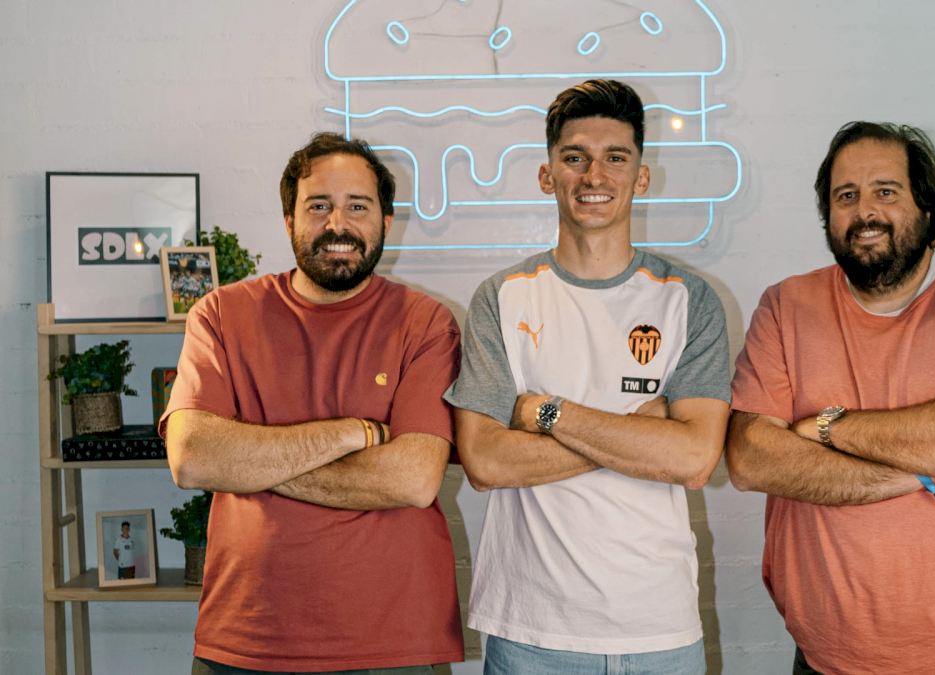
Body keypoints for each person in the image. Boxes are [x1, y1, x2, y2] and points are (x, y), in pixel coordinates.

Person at [726, 121, 935, 674]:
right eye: (846, 196)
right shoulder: (786, 306)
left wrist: (826, 428)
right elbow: (750, 459)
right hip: (830, 659)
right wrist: (922, 469)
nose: (865, 212)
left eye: (886, 191)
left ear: (927, 208)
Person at [444, 79, 731, 674]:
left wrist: (544, 414)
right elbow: (486, 463)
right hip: (530, 633)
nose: (594, 175)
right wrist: (639, 434)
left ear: (641, 178)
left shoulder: (689, 300)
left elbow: (694, 459)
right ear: (547, 174)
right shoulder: (501, 298)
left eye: (615, 158)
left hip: (660, 630)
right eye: (574, 158)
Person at [161, 132, 464, 674]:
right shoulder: (221, 315)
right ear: (289, 220)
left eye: (358, 207)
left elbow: (414, 479)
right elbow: (192, 459)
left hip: (392, 642)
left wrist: (250, 462)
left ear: (386, 221)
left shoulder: (426, 324)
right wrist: (353, 433)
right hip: (245, 638)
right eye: (318, 206)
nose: (337, 225)